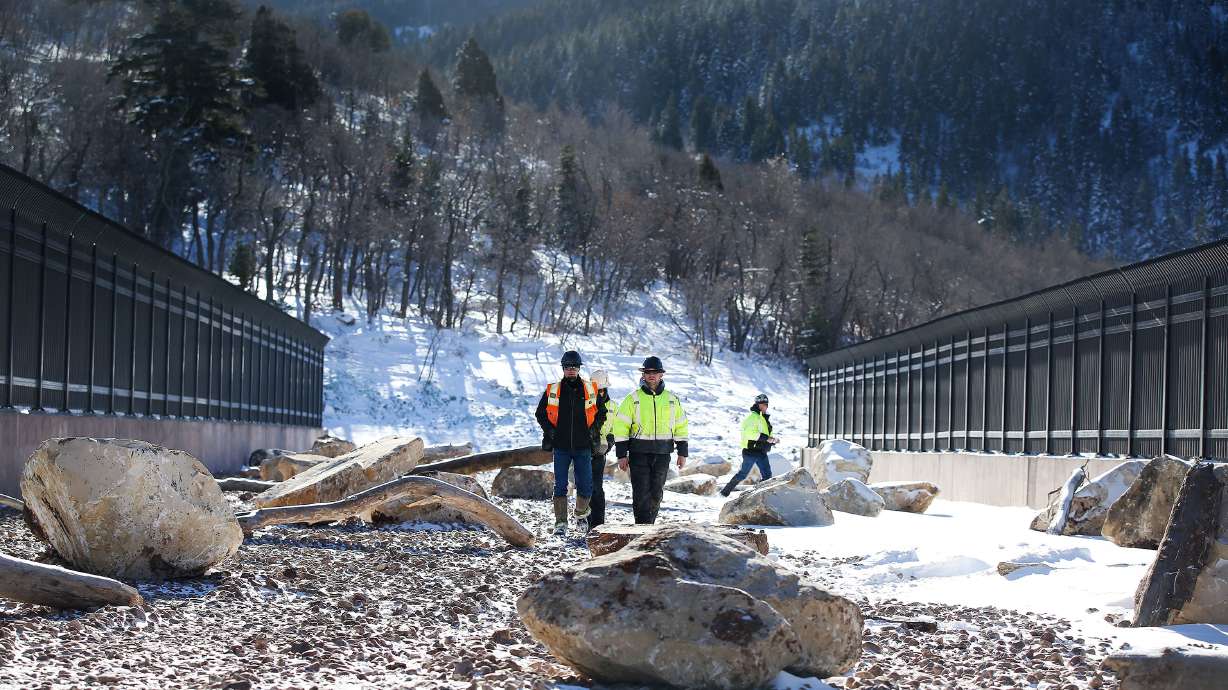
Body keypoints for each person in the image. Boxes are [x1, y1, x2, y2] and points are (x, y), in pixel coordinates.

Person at [610, 356, 689, 524]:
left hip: (663, 453)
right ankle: (641, 527)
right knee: (640, 492)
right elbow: (621, 427)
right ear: (643, 375)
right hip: (639, 453)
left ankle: (649, 526)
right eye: (648, 372)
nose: (651, 375)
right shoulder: (633, 399)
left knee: (656, 493)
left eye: (655, 372)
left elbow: (681, 425)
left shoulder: (671, 399)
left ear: (661, 375)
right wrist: (622, 455)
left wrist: (682, 452)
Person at [535, 350, 604, 535]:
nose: (571, 370)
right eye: (567, 367)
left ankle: (581, 515)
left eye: (574, 367)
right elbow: (540, 414)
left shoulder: (590, 389)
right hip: (561, 447)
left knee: (586, 485)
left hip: (584, 446)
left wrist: (593, 431)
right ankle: (561, 523)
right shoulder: (553, 390)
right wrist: (551, 432)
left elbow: (601, 413)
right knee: (560, 485)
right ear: (563, 369)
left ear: (579, 368)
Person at [721, 393, 778, 497]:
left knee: (767, 475)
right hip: (751, 451)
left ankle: (759, 494)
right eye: (764, 404)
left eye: (766, 404)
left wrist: (772, 440)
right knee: (743, 474)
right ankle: (724, 492)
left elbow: (765, 434)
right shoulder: (753, 417)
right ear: (758, 405)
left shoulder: (763, 418)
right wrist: (767, 438)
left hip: (761, 451)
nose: (766, 407)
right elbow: (750, 434)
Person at [587, 369, 615, 530]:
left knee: (596, 487)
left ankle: (597, 524)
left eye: (602, 390)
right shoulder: (585, 403)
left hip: (600, 452)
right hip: (583, 451)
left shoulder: (613, 407)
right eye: (597, 390)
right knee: (584, 487)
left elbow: (617, 428)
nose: (600, 393)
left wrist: (609, 443)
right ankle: (586, 519)